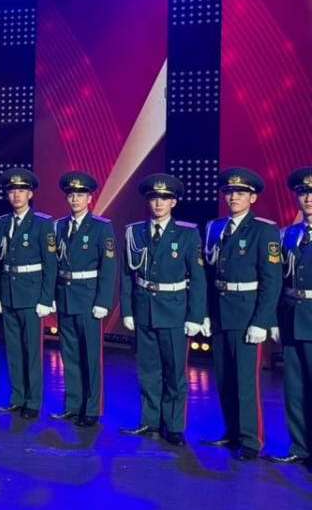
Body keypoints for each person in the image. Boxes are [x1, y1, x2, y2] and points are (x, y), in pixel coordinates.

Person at [121, 173, 207, 446]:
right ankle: (150, 421)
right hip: (144, 307)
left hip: (174, 311)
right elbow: (126, 275)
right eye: (154, 198)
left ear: (174, 202)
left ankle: (174, 426)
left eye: (164, 199)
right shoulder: (134, 232)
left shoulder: (187, 233)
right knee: (147, 370)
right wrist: (127, 311)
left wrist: (196, 315)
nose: (158, 203)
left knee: (174, 373)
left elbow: (198, 277)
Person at [203, 168, 281, 461]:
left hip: (248, 315)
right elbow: (211, 275)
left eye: (240, 192)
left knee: (246, 382)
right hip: (222, 314)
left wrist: (262, 321)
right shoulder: (216, 227)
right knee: (224, 379)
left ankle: (251, 440)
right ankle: (232, 432)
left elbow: (271, 280)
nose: (233, 197)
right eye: (229, 192)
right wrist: (207, 313)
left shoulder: (264, 230)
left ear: (253, 197)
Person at [51, 172, 116, 427]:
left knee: (91, 356)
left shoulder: (101, 227)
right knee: (70, 356)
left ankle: (92, 408)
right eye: (71, 194)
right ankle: (73, 404)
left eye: (80, 194)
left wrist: (103, 301)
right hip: (65, 296)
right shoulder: (59, 226)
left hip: (89, 300)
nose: (75, 198)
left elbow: (108, 267)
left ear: (90, 198)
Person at [0, 168, 58, 421]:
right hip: (8, 293)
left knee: (32, 350)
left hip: (32, 296)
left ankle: (33, 401)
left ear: (30, 194)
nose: (16, 195)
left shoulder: (43, 223)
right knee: (13, 349)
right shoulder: (1, 223)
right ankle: (17, 397)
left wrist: (46, 298)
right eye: (12, 191)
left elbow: (50, 264)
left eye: (21, 190)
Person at [270, 167, 312, 466]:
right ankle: (300, 447)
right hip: (291, 317)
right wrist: (272, 319)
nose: (308, 198)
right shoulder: (288, 234)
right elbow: (277, 281)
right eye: (303, 193)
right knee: (294, 388)